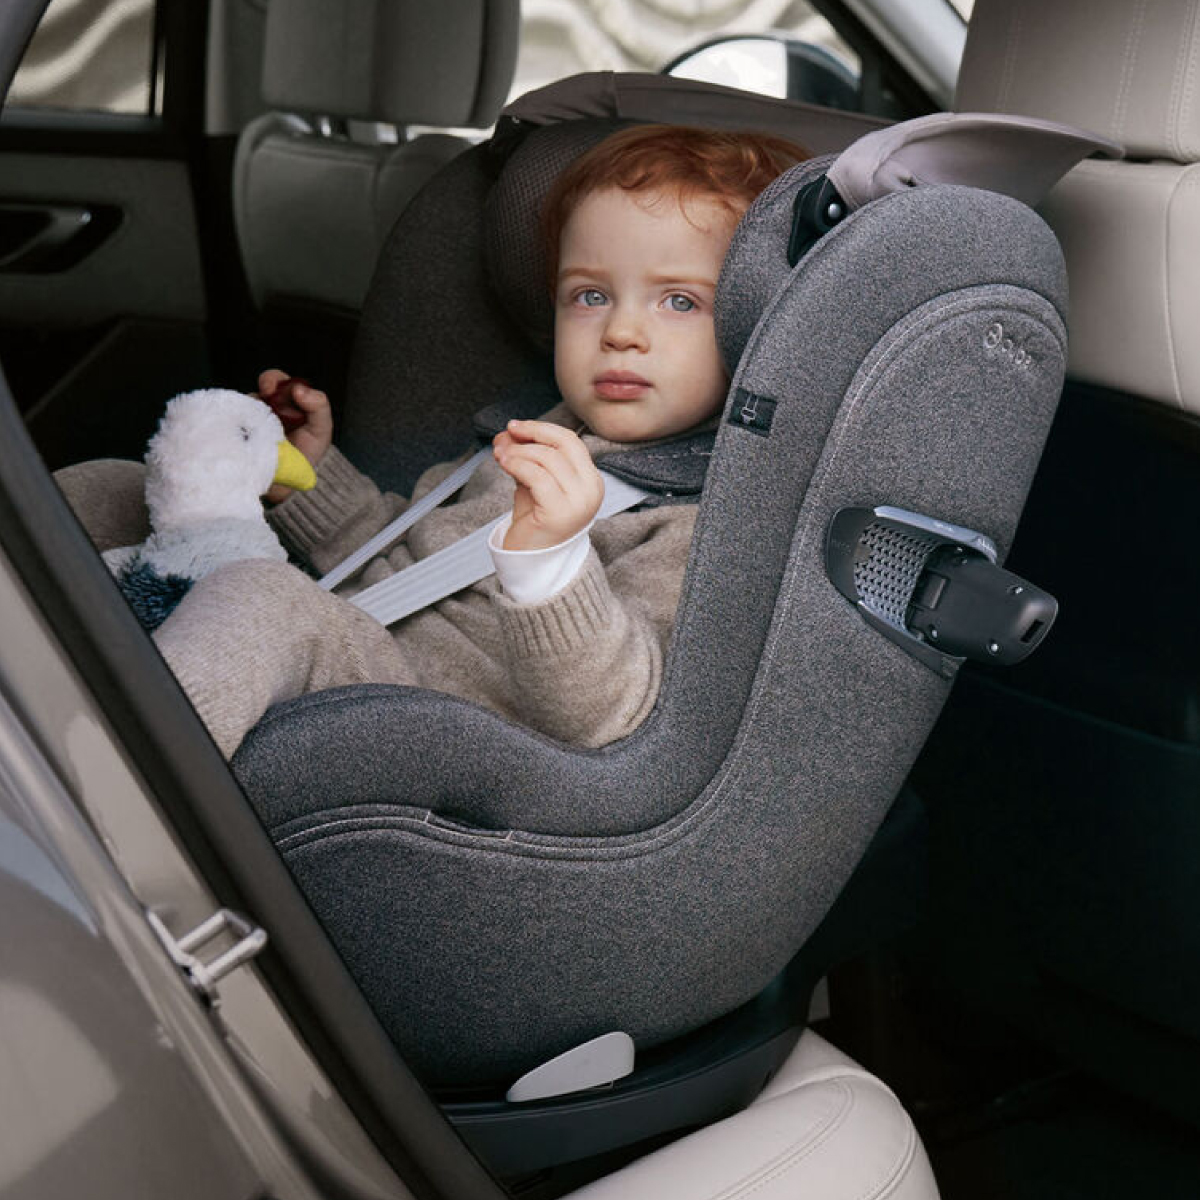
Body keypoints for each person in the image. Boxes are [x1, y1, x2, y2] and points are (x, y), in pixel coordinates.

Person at [61, 124, 807, 758]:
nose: (619, 331)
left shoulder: (693, 521)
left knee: (261, 598)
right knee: (116, 488)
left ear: (756, 329)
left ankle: (99, 799)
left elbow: (613, 716)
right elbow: (402, 558)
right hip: (355, 639)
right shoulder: (539, 431)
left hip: (432, 731)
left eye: (679, 301)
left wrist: (552, 561)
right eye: (590, 295)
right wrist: (309, 478)